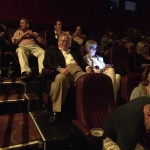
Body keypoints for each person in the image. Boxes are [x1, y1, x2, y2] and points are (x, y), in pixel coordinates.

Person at [43, 33, 93, 124]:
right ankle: (56, 112)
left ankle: (89, 109)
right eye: (62, 41)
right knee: (60, 79)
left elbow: (83, 63)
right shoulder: (52, 50)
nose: (64, 43)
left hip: (76, 70)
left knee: (86, 80)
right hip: (62, 72)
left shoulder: (75, 52)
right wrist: (59, 69)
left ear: (70, 43)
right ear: (58, 42)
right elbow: (47, 64)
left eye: (67, 41)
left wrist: (88, 68)